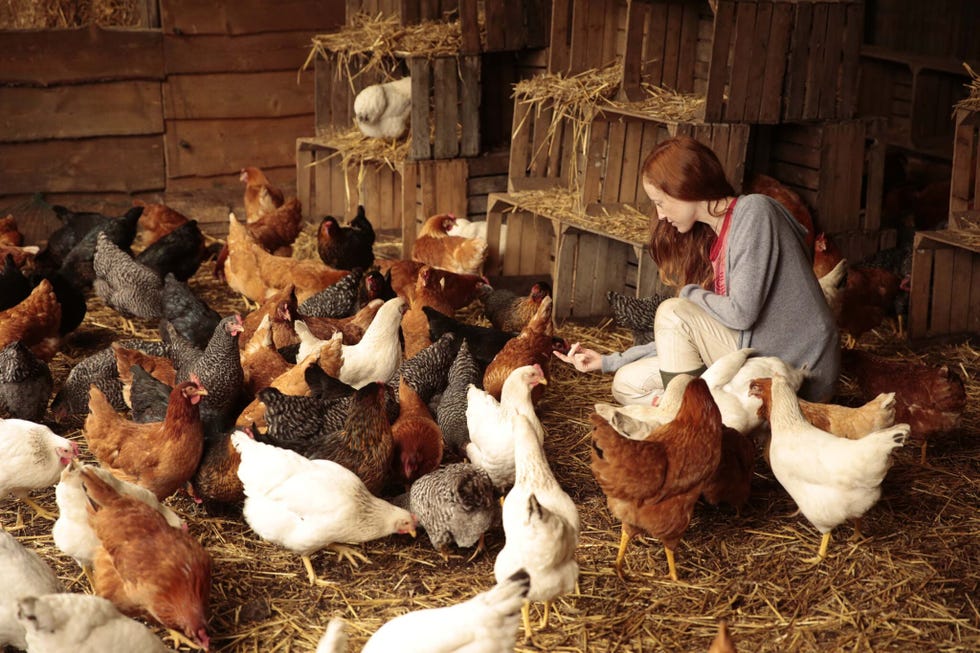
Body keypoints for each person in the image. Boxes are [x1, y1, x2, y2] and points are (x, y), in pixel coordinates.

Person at [554, 136, 839, 404]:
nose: (661, 215)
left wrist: (690, 294)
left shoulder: (754, 212)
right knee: (626, 382)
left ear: (684, 187)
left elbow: (741, 314)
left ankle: (690, 428)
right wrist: (609, 360)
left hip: (795, 369)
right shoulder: (716, 241)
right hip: (751, 354)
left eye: (660, 203)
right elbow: (687, 335)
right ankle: (694, 417)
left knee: (672, 311)